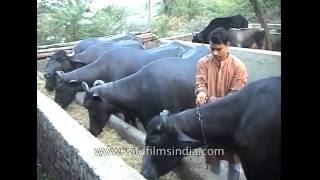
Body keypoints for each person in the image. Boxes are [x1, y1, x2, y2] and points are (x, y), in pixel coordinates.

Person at [195, 27, 248, 180]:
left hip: (231, 118)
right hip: (210, 118)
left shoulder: (238, 66)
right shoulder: (203, 62)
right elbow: (200, 83)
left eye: (219, 49)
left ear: (227, 45)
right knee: (213, 152)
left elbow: (236, 95)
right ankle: (215, 177)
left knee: (234, 156)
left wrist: (215, 101)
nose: (215, 53)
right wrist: (201, 93)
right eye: (212, 49)